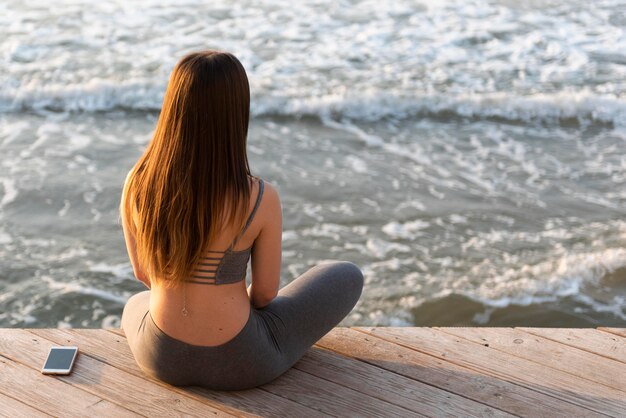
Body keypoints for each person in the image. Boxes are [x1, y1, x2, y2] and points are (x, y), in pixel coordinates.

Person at [119, 50, 363, 390]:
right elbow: (263, 295)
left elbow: (144, 273)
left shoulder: (138, 182)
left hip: (161, 356)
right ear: (237, 111)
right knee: (346, 275)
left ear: (173, 106)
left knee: (136, 303)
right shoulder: (260, 196)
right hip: (241, 362)